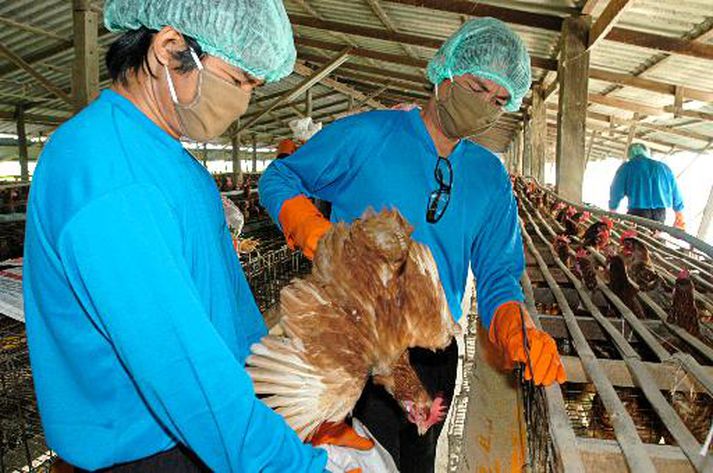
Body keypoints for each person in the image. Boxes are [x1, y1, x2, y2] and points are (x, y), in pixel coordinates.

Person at [23, 1, 360, 471]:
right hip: (149, 453)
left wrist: (286, 405)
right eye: (238, 80)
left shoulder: (176, 164)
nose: (243, 101)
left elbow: (231, 310)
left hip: (204, 434)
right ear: (168, 48)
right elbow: (180, 369)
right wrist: (290, 464)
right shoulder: (106, 173)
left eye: (253, 87)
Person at [259, 18, 566, 473]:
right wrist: (315, 233)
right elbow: (281, 177)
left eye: (500, 100)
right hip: (353, 340)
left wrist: (512, 325)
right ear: (444, 75)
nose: (485, 106)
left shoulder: (488, 176)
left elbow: (499, 272)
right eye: (477, 87)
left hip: (434, 351)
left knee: (417, 463)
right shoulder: (368, 136)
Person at [609, 143, 685, 229]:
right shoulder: (663, 167)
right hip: (660, 213)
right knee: (654, 237)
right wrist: (678, 212)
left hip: (637, 212)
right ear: (646, 152)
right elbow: (675, 190)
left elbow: (616, 190)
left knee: (636, 238)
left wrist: (613, 209)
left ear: (630, 154)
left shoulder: (627, 168)